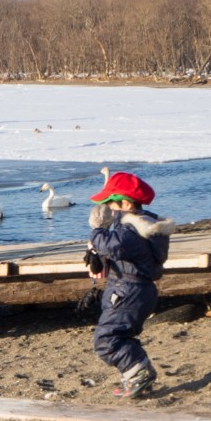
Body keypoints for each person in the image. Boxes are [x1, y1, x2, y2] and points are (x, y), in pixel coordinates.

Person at [85, 170, 173, 398]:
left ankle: (140, 372)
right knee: (120, 335)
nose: (108, 210)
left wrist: (97, 231)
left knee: (106, 340)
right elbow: (117, 251)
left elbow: (114, 246)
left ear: (125, 204)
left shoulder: (131, 230)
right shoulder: (147, 224)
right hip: (135, 290)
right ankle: (135, 377)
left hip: (128, 291)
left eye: (111, 205)